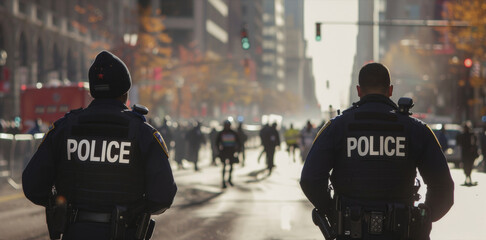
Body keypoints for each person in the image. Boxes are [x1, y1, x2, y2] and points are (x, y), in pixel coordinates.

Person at [22, 51, 177, 240]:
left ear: (93, 90)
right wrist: (134, 210)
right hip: (124, 232)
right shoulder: (143, 132)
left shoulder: (64, 128)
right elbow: (162, 196)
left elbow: (33, 186)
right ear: (125, 92)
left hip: (75, 231)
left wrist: (62, 203)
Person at [300, 62, 454, 239]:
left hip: (351, 233)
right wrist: (421, 219)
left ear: (359, 90)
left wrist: (333, 212)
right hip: (401, 233)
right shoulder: (416, 129)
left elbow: (310, 179)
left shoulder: (337, 127)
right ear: (390, 90)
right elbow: (444, 189)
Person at [215, 120, 241, 188]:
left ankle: (229, 179)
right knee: (224, 166)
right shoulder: (222, 133)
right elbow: (217, 143)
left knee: (231, 167)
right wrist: (219, 150)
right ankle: (224, 180)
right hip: (224, 151)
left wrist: (237, 150)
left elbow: (238, 142)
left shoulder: (233, 133)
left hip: (231, 151)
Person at [456, 122, 478, 186]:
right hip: (467, 154)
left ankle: (468, 177)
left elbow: (474, 143)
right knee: (467, 166)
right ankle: (468, 177)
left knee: (468, 166)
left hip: (468, 154)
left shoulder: (471, 135)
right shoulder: (467, 135)